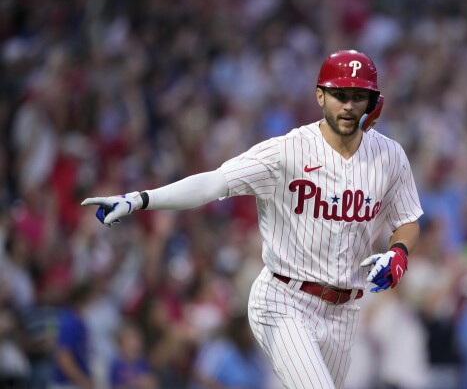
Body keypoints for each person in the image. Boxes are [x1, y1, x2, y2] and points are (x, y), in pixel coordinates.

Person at [82, 50, 423, 389]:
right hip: (285, 299)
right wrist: (140, 199)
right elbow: (214, 183)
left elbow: (407, 219)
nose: (349, 105)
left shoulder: (389, 156)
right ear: (320, 95)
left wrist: (399, 253)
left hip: (345, 311)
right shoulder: (286, 152)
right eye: (339, 94)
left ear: (373, 101)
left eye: (358, 96)